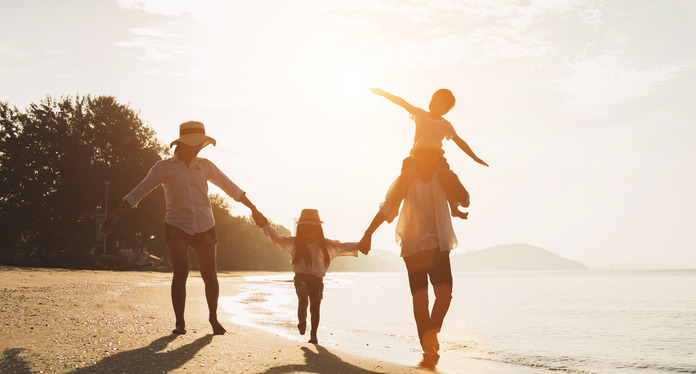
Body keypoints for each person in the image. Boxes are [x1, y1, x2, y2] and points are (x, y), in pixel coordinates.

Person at [101, 120, 267, 335]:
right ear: (183, 144)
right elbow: (138, 192)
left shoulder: (205, 165)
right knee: (181, 271)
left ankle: (213, 319)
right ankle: (180, 323)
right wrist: (114, 216)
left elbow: (231, 187)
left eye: (201, 144)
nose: (199, 147)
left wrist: (254, 209)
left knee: (210, 276)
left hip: (205, 224)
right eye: (196, 144)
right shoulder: (163, 168)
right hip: (176, 224)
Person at [358, 137, 463, 368]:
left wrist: (451, 176)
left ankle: (431, 333)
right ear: (416, 157)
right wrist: (368, 234)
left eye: (431, 155)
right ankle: (426, 343)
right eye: (423, 155)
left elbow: (464, 199)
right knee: (420, 298)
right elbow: (387, 208)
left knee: (445, 295)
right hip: (413, 247)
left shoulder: (442, 178)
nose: (427, 159)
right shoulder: (405, 181)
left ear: (437, 158)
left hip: (438, 246)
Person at [370, 87, 488, 219]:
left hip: (436, 158)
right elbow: (402, 103)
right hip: (417, 156)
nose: (435, 103)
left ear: (445, 110)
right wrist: (383, 93)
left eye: (440, 103)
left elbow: (459, 141)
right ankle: (395, 208)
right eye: (434, 99)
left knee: (445, 176)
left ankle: (453, 208)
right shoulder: (420, 114)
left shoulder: (445, 125)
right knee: (405, 176)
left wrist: (474, 157)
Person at [258, 209, 359, 344]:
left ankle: (313, 335)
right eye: (306, 230)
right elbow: (277, 238)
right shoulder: (295, 243)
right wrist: (265, 224)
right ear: (300, 230)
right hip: (301, 278)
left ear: (318, 230)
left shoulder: (325, 245)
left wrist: (362, 243)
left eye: (313, 231)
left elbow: (342, 246)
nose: (309, 234)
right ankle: (302, 321)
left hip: (317, 281)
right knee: (303, 297)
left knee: (315, 308)